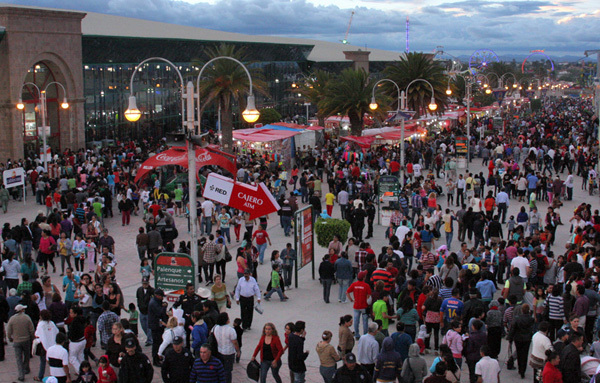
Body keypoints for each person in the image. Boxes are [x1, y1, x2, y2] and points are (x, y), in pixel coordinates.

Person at [7, 304, 35, 382]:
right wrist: (32, 338)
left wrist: (10, 338)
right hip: (26, 340)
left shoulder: (12, 319)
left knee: (18, 358)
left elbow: (8, 331)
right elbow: (32, 329)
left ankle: (21, 375)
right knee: (26, 356)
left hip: (16, 341)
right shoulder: (27, 318)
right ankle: (26, 368)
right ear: (21, 310)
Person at [507, 303, 534, 379]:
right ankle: (523, 370)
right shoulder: (531, 319)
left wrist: (510, 338)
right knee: (525, 354)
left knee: (519, 353)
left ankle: (520, 369)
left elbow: (513, 329)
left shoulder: (517, 318)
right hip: (527, 339)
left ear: (522, 310)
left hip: (518, 338)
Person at [213, 312, 240, 383]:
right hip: (229, 353)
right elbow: (235, 342)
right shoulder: (230, 330)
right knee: (228, 371)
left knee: (221, 369)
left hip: (219, 351)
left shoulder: (216, 328)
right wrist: (238, 351)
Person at [346, 270, 371, 338]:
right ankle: (365, 335)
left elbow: (347, 292)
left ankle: (357, 334)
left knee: (356, 321)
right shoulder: (366, 285)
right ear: (364, 278)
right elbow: (369, 295)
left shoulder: (354, 284)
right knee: (365, 321)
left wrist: (351, 300)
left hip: (356, 306)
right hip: (364, 306)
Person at [35, 309, 59, 381]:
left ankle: (40, 376)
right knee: (54, 361)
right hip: (53, 345)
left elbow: (37, 334)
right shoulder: (52, 323)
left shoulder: (41, 324)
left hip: (44, 346)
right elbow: (57, 332)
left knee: (43, 362)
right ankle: (55, 374)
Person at [148, 288, 168, 366]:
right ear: (157, 295)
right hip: (155, 326)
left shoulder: (156, 301)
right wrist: (164, 307)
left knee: (159, 342)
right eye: (161, 296)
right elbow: (160, 312)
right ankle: (155, 360)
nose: (162, 298)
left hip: (158, 325)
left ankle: (158, 358)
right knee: (156, 343)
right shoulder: (153, 303)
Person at [135, 277, 154, 346]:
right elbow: (138, 298)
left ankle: (150, 339)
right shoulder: (139, 290)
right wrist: (139, 306)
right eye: (143, 283)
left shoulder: (151, 290)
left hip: (148, 312)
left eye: (146, 283)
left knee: (149, 327)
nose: (145, 285)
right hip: (142, 311)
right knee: (143, 326)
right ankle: (150, 337)